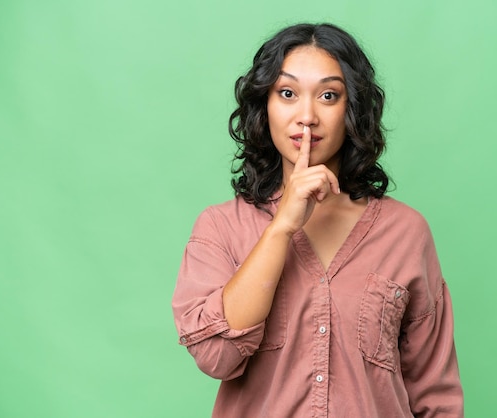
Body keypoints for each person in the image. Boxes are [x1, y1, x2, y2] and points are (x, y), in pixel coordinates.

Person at [172, 23, 463, 417]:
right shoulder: (221, 228)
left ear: (352, 109)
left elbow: (435, 395)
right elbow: (215, 356)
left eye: (328, 95)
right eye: (287, 93)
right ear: (265, 106)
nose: (306, 116)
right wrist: (281, 229)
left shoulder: (406, 233)